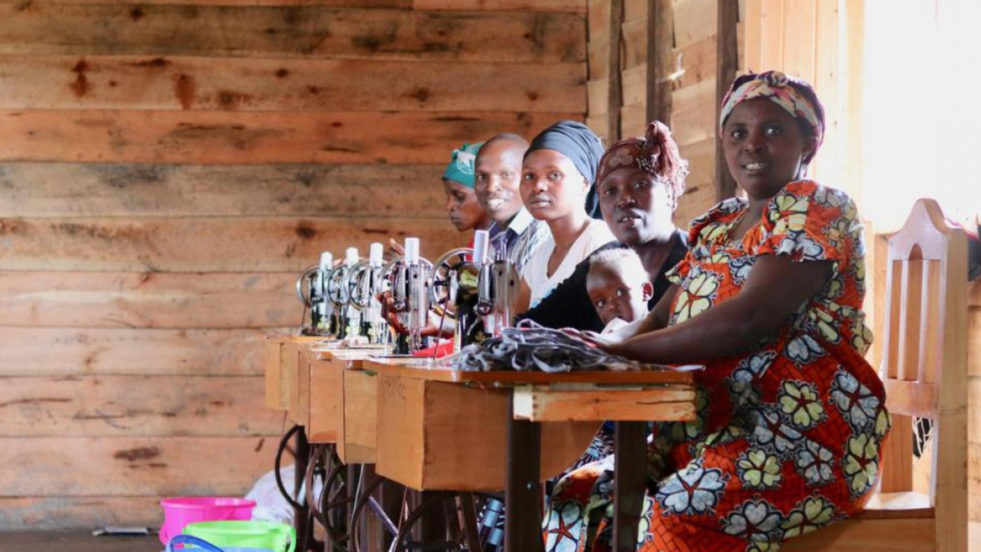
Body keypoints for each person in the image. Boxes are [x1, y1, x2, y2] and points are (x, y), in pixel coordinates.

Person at [544, 71, 889, 552]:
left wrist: (623, 349)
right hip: (707, 431)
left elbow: (746, 320)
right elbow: (661, 315)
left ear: (806, 142)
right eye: (738, 132)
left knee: (673, 511)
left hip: (802, 439)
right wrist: (610, 341)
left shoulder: (816, 207)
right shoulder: (719, 223)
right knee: (578, 494)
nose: (753, 145)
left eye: (773, 130)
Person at [518, 120, 689, 333]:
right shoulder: (602, 262)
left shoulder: (698, 258)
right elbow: (535, 325)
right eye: (610, 191)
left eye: (640, 184)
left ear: (669, 191)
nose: (624, 199)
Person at [518, 121, 616, 311]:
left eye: (554, 175)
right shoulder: (541, 257)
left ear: (585, 183)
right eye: (529, 176)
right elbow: (515, 325)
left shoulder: (600, 244)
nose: (538, 186)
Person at [474, 134, 551, 273]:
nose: (491, 187)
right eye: (482, 177)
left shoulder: (541, 235)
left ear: (529, 178)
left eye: (505, 175)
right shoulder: (493, 235)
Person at [585, 248, 653, 331]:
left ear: (645, 291)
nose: (611, 306)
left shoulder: (664, 333)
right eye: (601, 303)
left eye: (620, 292)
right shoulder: (605, 338)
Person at [441, 142, 492, 241]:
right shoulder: (476, 247)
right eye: (448, 197)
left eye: (459, 196)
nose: (448, 206)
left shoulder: (518, 244)